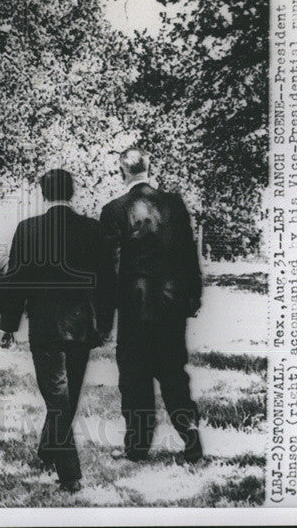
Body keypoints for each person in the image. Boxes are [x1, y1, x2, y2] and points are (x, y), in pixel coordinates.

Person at [0, 168, 116, 493]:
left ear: (44, 194)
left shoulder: (28, 229)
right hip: (80, 327)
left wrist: (8, 326)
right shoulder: (92, 230)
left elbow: (14, 282)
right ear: (72, 192)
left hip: (45, 329)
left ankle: (66, 469)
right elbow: (107, 282)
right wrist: (105, 325)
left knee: (60, 401)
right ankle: (56, 459)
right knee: (65, 398)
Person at [99, 149, 204, 463]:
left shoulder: (114, 210)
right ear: (149, 167)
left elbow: (110, 269)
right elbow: (189, 254)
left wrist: (104, 320)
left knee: (135, 378)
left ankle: (137, 447)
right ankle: (191, 436)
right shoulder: (174, 204)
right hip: (171, 306)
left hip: (134, 309)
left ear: (122, 172)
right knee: (174, 373)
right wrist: (193, 297)